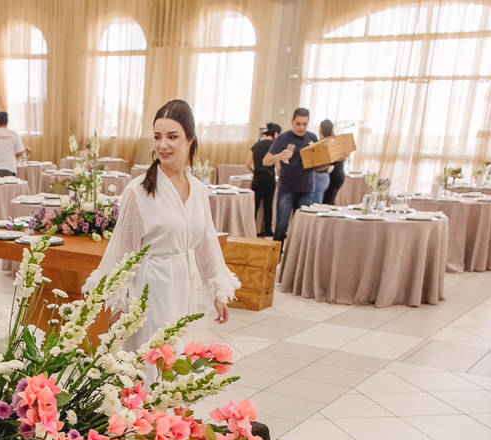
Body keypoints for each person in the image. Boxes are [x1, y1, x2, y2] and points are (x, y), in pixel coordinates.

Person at [85, 99, 237, 351]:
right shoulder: (139, 190)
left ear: (189, 139)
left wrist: (218, 291)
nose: (163, 145)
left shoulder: (198, 189)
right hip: (150, 286)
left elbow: (205, 242)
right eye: (157, 137)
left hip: (183, 283)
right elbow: (125, 249)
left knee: (176, 356)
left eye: (172, 136)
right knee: (150, 357)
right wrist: (120, 305)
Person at [264, 107, 317, 243]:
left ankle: (297, 262)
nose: (301, 127)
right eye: (298, 124)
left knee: (303, 229)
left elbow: (320, 165)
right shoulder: (283, 138)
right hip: (287, 189)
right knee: (281, 227)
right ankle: (274, 260)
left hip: (307, 189)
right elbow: (266, 160)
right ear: (292, 121)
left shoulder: (312, 138)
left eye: (304, 124)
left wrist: (335, 159)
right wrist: (278, 156)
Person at [246, 122, 280, 238]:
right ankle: (268, 231)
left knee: (254, 205)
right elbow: (278, 166)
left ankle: (250, 230)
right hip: (269, 178)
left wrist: (254, 171)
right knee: (268, 206)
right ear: (276, 133)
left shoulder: (256, 145)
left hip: (257, 178)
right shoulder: (275, 147)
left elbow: (247, 163)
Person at [0, 111, 26, 177]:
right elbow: (20, 152)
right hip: (10, 166)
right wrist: (13, 156)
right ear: (7, 121)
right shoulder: (14, 134)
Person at [320, 119, 345, 206]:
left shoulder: (325, 143)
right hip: (340, 173)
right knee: (331, 199)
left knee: (327, 200)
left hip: (332, 175)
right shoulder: (335, 141)